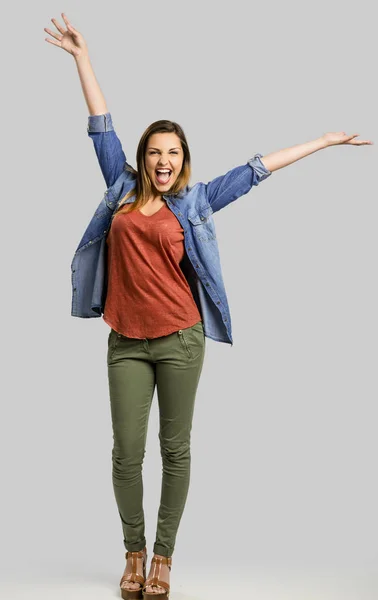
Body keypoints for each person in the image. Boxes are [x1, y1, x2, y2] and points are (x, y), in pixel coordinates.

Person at [44, 12, 373, 600]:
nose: (163, 161)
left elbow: (255, 171)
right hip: (126, 341)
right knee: (126, 454)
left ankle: (163, 560)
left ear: (182, 159)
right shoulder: (121, 190)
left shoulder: (195, 202)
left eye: (173, 153)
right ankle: (132, 552)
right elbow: (100, 125)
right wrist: (81, 57)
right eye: (154, 153)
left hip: (180, 340)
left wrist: (322, 142)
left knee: (176, 450)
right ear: (143, 159)